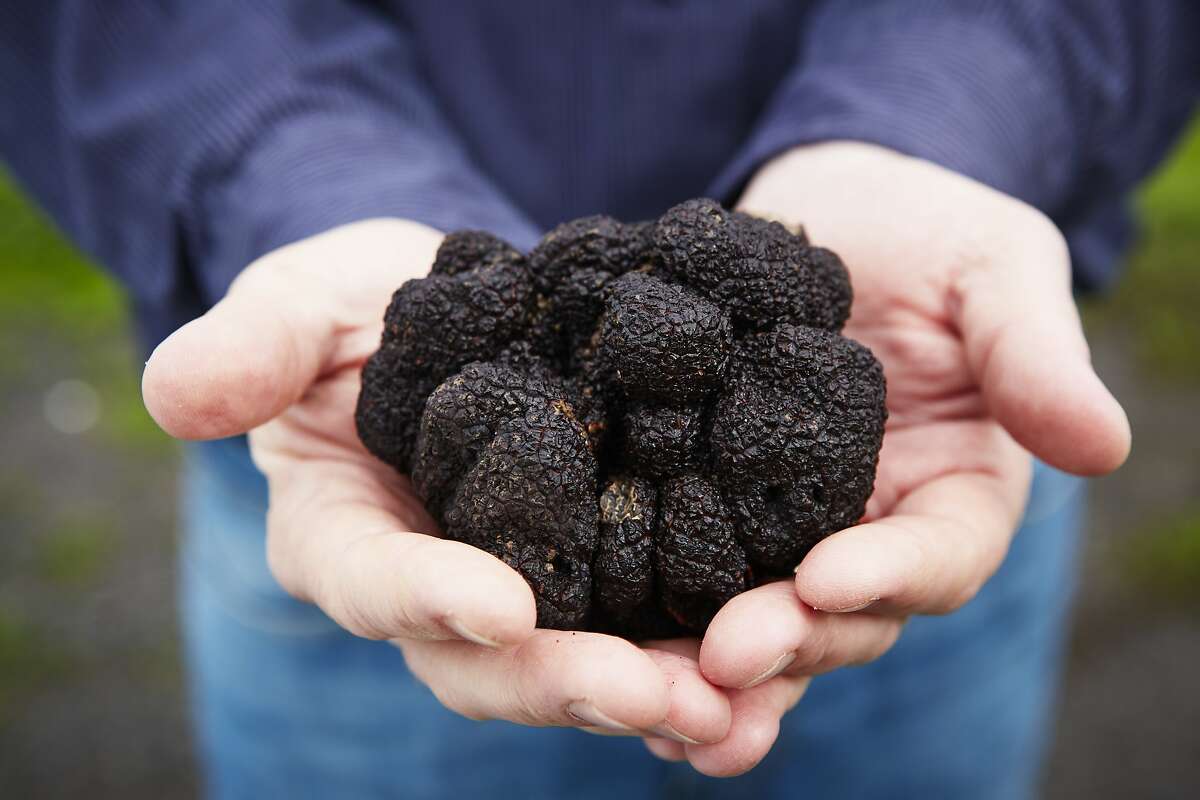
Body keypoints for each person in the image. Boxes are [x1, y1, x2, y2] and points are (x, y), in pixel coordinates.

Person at [2, 2, 1198, 798]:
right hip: (352, 481)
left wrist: (947, 113)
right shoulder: (529, 375)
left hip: (913, 464)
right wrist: (285, 171)